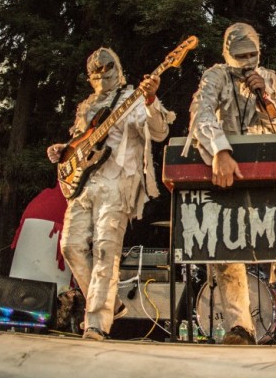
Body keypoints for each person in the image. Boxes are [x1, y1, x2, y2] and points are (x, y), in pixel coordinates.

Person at [188, 22, 276, 345]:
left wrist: (264, 96)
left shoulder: (268, 78)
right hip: (228, 171)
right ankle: (240, 327)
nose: (247, 61)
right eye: (240, 55)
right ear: (228, 53)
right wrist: (219, 150)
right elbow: (200, 115)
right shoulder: (216, 76)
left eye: (252, 54)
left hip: (270, 173)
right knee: (228, 247)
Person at [47, 47, 174, 340]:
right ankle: (112, 304)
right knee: (70, 246)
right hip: (85, 183)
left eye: (108, 68)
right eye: (96, 71)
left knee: (106, 250)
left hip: (118, 180)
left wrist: (151, 99)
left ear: (118, 68)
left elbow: (159, 131)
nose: (103, 74)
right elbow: (82, 142)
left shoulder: (133, 97)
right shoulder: (87, 106)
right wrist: (63, 151)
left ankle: (96, 323)